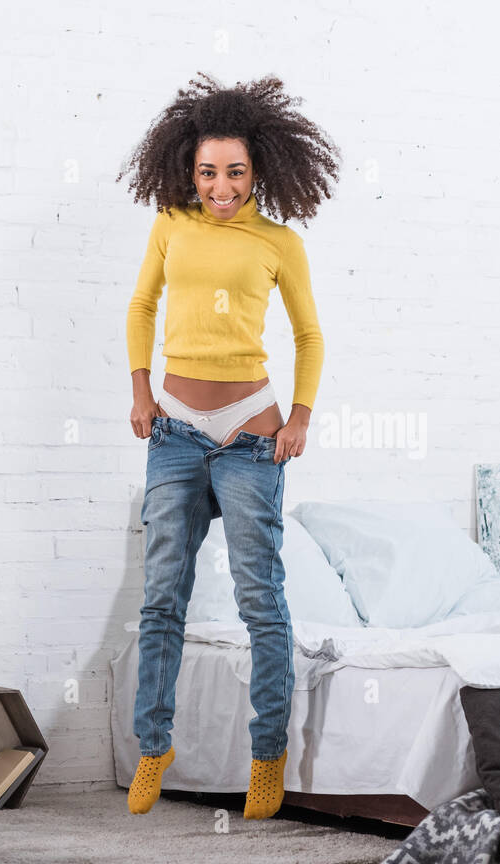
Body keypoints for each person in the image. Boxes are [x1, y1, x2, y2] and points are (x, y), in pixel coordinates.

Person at [118, 72, 340, 819]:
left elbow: (309, 335)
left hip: (251, 436)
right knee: (161, 598)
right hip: (174, 431)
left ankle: (267, 756)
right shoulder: (170, 226)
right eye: (208, 171)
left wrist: (301, 415)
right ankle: (154, 746)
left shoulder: (280, 242)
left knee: (261, 602)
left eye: (235, 172)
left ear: (259, 172)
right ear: (190, 167)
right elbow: (142, 303)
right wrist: (142, 389)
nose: (220, 186)